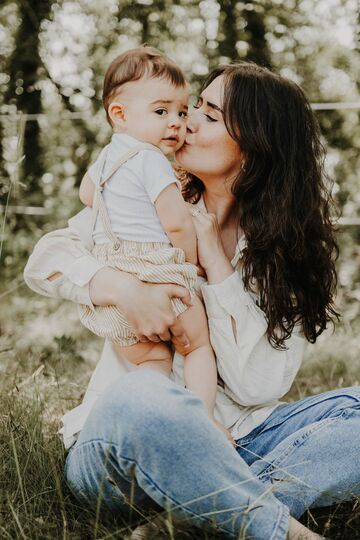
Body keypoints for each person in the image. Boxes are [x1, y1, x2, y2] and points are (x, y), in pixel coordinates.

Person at [24, 59, 360, 540]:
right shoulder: (147, 203)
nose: (186, 122)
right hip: (128, 447)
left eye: (210, 114)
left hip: (241, 439)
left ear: (255, 144)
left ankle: (193, 519)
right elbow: (45, 259)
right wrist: (122, 289)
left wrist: (215, 263)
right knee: (145, 395)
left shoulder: (288, 253)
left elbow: (256, 386)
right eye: (193, 106)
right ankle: (268, 526)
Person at [71, 47, 228, 442]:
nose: (176, 123)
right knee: (196, 349)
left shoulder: (106, 159)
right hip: (160, 272)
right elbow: (176, 224)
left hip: (119, 285)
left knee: (152, 362)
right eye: (161, 112)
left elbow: (87, 195)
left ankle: (149, 423)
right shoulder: (152, 160)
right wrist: (188, 268)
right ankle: (203, 418)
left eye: (181, 111)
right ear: (119, 114)